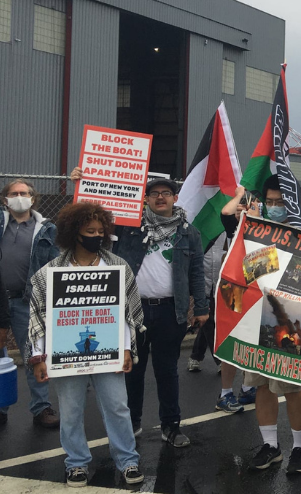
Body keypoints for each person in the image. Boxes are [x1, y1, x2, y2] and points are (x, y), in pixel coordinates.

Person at [26, 203, 144, 487]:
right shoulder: (51, 272)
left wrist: (127, 348)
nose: (96, 235)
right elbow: (39, 315)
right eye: (89, 231)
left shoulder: (117, 267)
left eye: (100, 231)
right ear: (72, 232)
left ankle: (128, 460)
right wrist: (39, 357)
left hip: (110, 352)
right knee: (70, 409)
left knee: (118, 406)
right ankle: (76, 463)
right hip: (65, 355)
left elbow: (127, 314)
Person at [105, 176, 209, 448]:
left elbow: (197, 273)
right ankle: (131, 423)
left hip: (168, 312)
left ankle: (171, 426)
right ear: (146, 199)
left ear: (175, 198)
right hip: (132, 310)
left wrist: (201, 307)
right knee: (132, 371)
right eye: (154, 194)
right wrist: (85, 182)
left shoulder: (189, 232)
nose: (160, 197)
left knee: (167, 371)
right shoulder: (128, 228)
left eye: (166, 193)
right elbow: (94, 218)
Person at [244, 177, 301, 474]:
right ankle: (270, 445)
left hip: (285, 325)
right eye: (269, 202)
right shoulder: (255, 230)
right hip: (256, 320)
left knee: (290, 388)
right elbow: (248, 269)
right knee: (261, 385)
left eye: (279, 203)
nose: (273, 208)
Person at [188, 187, 260, 414]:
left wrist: (255, 211)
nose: (243, 209)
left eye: (249, 205)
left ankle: (248, 387)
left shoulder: (268, 232)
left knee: (253, 342)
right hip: (234, 290)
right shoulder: (234, 229)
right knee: (231, 340)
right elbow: (226, 213)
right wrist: (239, 195)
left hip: (257, 291)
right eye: (241, 205)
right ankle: (225, 393)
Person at [0, 179, 61, 428]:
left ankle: (41, 408)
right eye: (13, 193)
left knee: (35, 355)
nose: (19, 196)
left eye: (24, 193)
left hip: (29, 301)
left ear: (33, 198)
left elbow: (57, 262)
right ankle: (0, 407)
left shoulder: (48, 229)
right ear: (5, 200)